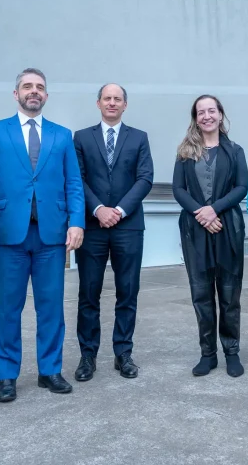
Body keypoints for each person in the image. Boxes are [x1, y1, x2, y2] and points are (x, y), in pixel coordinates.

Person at [0, 68, 85, 400]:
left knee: (51, 307)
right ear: (16, 94)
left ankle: (50, 370)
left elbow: (73, 183)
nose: (33, 91)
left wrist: (77, 222)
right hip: (8, 235)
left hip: (51, 235)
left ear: (46, 95)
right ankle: (7, 375)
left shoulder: (62, 135)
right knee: (8, 307)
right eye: (27, 86)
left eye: (39, 87)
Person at [73, 83, 154, 381]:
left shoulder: (139, 137)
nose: (112, 103)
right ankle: (88, 356)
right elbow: (77, 178)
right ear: (98, 103)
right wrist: (98, 209)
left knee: (127, 291)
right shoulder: (81, 137)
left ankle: (123, 353)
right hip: (93, 226)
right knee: (89, 293)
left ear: (125, 105)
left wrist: (118, 210)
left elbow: (145, 178)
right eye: (107, 98)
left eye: (117, 99)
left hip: (128, 226)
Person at [172, 95, 248, 377]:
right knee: (201, 293)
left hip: (227, 227)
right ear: (196, 118)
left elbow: (241, 187)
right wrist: (201, 213)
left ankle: (232, 352)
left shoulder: (235, 151)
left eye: (211, 111)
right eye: (201, 112)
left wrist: (214, 209)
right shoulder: (185, 151)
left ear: (220, 114)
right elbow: (178, 189)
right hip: (195, 230)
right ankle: (208, 354)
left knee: (229, 293)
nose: (207, 116)